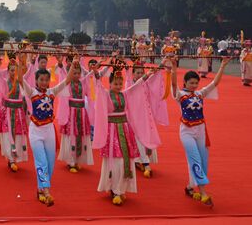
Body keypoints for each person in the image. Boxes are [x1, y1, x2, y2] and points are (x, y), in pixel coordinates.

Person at [93, 64, 162, 206]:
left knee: (126, 161)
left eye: (119, 83)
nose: (118, 86)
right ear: (110, 83)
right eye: (115, 83)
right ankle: (115, 189)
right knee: (115, 161)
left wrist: (147, 74)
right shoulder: (105, 94)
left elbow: (136, 86)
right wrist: (96, 73)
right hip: (112, 131)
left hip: (124, 129)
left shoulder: (124, 94)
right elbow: (98, 87)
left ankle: (120, 189)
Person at [170, 56, 231, 207]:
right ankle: (203, 192)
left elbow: (215, 83)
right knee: (195, 159)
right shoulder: (180, 95)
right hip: (187, 132)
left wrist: (223, 65)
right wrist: (173, 66)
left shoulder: (200, 93)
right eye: (191, 83)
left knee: (203, 162)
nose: (194, 85)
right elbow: (172, 84)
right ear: (185, 82)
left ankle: (190, 187)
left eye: (196, 83)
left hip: (201, 130)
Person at [20, 60, 74, 206]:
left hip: (49, 131)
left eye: (46, 80)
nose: (44, 82)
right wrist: (20, 62)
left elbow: (68, 80)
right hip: (36, 132)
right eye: (41, 80)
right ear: (36, 80)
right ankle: (46, 192)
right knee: (41, 162)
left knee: (50, 164)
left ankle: (40, 189)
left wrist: (74, 63)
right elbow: (20, 79)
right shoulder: (31, 92)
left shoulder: (52, 92)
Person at [56, 55, 94, 173]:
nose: (77, 75)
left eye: (78, 73)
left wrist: (102, 66)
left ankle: (77, 160)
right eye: (74, 73)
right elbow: (62, 73)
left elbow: (92, 75)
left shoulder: (84, 82)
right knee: (71, 135)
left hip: (82, 113)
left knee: (80, 136)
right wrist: (62, 64)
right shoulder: (67, 83)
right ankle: (70, 161)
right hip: (71, 113)